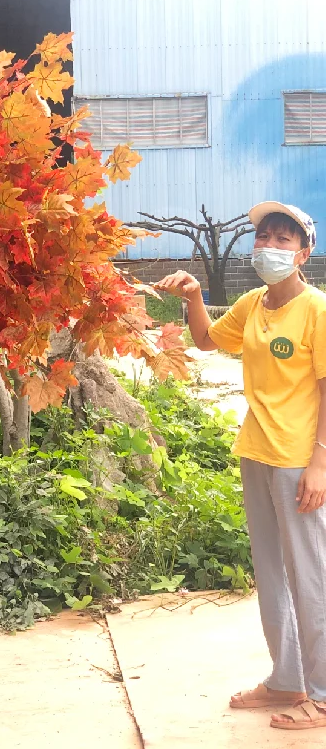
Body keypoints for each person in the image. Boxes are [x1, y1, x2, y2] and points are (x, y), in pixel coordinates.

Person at [155, 201, 326, 731]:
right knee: (271, 572)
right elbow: (207, 340)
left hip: (299, 459)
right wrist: (193, 298)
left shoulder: (317, 310)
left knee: (311, 575)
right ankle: (286, 680)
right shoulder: (254, 303)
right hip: (256, 449)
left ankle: (322, 695)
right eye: (265, 237)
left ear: (304, 251)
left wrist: (322, 462)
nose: (270, 247)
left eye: (283, 239)